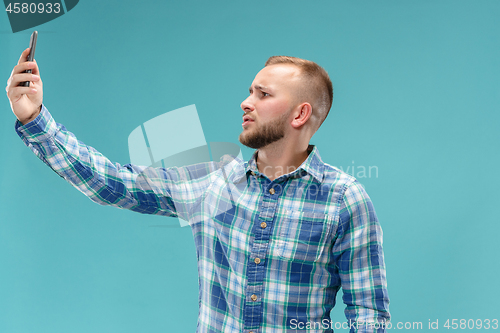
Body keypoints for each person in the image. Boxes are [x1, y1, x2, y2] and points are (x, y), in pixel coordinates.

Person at [7, 49, 390, 332]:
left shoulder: (344, 200)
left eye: (263, 94)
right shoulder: (213, 184)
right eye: (249, 92)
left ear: (300, 114)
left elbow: (368, 317)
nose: (246, 102)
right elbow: (112, 183)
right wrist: (35, 119)